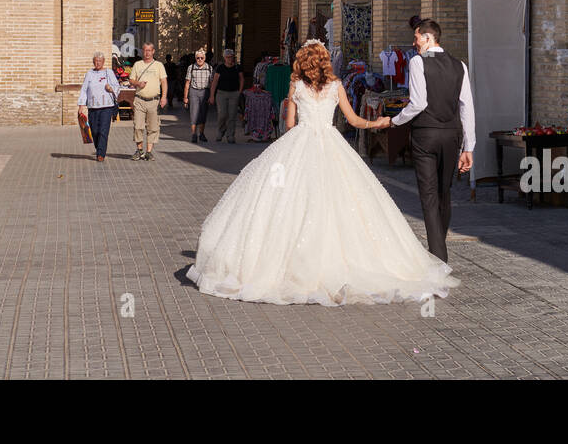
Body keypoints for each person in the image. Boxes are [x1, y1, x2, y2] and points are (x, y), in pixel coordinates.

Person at [187, 40, 458, 305]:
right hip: (332, 145)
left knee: (286, 202)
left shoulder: (296, 86)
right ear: (325, 61)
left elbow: (290, 123)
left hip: (298, 143)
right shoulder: (337, 86)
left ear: (303, 62)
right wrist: (378, 122)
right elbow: (353, 120)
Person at [377, 19, 475, 262]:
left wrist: (394, 121)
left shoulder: (418, 62)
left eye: (417, 38)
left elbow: (418, 103)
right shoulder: (459, 65)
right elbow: (467, 108)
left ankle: (439, 258)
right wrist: (469, 147)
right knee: (444, 193)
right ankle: (438, 251)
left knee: (429, 196)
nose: (414, 43)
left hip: (425, 135)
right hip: (452, 135)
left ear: (429, 38)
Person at [77, 52, 120, 162]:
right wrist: (81, 104)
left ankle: (100, 154)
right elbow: (84, 89)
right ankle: (99, 148)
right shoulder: (89, 73)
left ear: (103, 62)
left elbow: (117, 87)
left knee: (103, 130)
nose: (97, 63)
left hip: (107, 106)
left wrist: (111, 89)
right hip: (93, 107)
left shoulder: (108, 72)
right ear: (93, 62)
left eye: (100, 61)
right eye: (96, 61)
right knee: (95, 130)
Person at [129, 42, 168, 162]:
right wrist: (138, 83)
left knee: (153, 127)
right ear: (142, 51)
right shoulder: (137, 64)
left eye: (149, 50)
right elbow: (131, 80)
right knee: (138, 126)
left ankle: (149, 152)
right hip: (140, 100)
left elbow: (164, 82)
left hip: (153, 101)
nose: (147, 53)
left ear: (153, 51)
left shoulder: (159, 65)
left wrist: (164, 97)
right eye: (145, 50)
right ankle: (139, 150)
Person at [209, 48, 245, 143]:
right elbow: (215, 82)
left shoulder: (237, 67)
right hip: (221, 94)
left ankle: (230, 135)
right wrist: (212, 95)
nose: (229, 59)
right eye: (227, 57)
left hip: (234, 93)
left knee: (232, 115)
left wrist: (239, 92)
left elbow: (241, 79)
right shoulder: (220, 68)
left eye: (231, 57)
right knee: (222, 114)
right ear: (224, 58)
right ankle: (221, 130)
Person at [184, 48, 213, 143]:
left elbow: (212, 83)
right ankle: (193, 134)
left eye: (202, 58)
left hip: (205, 91)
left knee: (203, 113)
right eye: (198, 58)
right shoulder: (191, 67)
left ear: (205, 58)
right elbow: (187, 83)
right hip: (194, 92)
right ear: (195, 58)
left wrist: (211, 95)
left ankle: (201, 133)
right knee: (194, 113)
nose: (200, 60)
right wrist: (185, 97)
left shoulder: (209, 68)